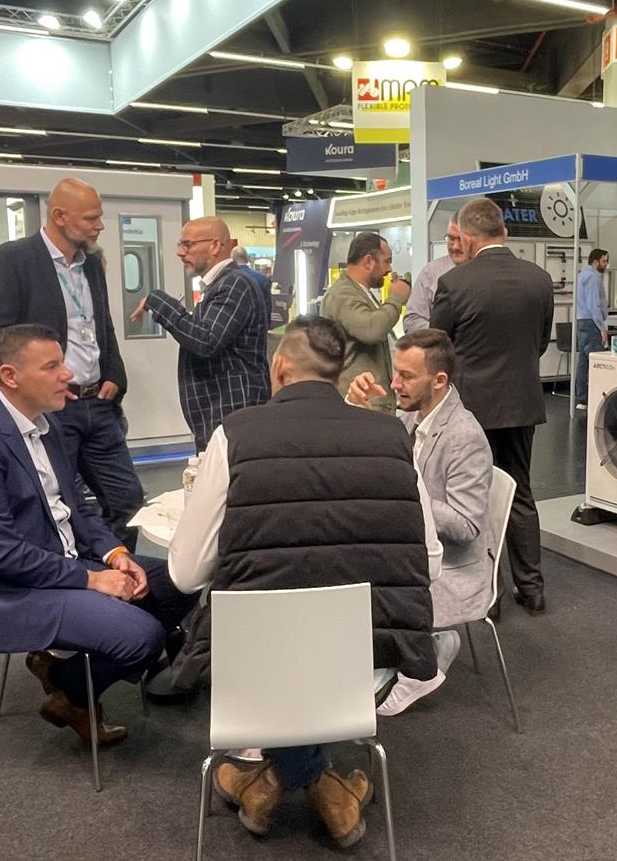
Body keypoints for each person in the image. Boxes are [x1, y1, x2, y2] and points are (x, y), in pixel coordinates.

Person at [164, 316, 440, 850]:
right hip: (366, 661)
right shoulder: (391, 437)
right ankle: (329, 792)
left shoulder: (234, 435)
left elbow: (185, 573)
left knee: (274, 659)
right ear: (339, 376)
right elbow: (428, 563)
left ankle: (267, 784)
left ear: (279, 367)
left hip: (255, 666)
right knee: (306, 666)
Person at [0, 324, 196, 748]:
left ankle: (68, 685)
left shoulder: (44, 425)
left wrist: (114, 554)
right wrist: (92, 580)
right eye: (52, 366)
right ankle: (69, 683)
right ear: (10, 376)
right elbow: (2, 555)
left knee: (182, 581)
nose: (68, 374)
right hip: (7, 590)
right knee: (142, 637)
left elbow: (75, 508)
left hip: (62, 564)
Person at [0, 177, 144, 550]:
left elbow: (101, 325)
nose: (99, 226)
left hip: (97, 404)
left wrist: (114, 374)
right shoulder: (11, 260)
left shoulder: (91, 264)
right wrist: (42, 381)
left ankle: (115, 567)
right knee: (56, 504)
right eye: (91, 218)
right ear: (59, 216)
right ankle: (76, 573)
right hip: (47, 409)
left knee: (127, 500)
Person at [348, 329, 495, 715]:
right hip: (415, 553)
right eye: (395, 373)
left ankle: (416, 666)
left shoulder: (464, 436)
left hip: (453, 569)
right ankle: (406, 651)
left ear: (439, 380)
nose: (394, 384)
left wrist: (408, 488)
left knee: (355, 578)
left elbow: (466, 526)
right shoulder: (413, 416)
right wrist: (357, 412)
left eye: (406, 376)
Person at [432, 197, 555, 616]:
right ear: (504, 232)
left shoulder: (454, 283)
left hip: (472, 411)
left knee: (474, 500)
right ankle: (532, 589)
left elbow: (438, 352)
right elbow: (540, 343)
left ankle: (490, 597)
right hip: (522, 404)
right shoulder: (539, 279)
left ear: (467, 237)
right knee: (520, 492)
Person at [131, 216, 270, 452]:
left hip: (233, 417)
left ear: (214, 246)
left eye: (188, 245)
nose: (180, 252)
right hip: (221, 415)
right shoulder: (220, 286)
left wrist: (158, 302)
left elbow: (205, 340)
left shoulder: (234, 285)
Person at [321, 231, 411, 413]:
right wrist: (396, 298)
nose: (389, 269)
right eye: (387, 261)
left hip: (370, 400)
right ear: (368, 261)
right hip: (361, 403)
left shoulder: (360, 292)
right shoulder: (341, 294)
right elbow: (371, 330)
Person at [402, 215, 467, 334]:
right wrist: (441, 332)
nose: (455, 246)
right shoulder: (432, 271)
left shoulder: (488, 271)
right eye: (451, 239)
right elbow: (411, 321)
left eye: (461, 239)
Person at [574, 248, 610, 410]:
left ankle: (582, 398)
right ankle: (596, 398)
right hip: (591, 322)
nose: (606, 264)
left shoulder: (582, 275)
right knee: (596, 362)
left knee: (583, 361)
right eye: (603, 261)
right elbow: (593, 303)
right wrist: (602, 327)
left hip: (582, 321)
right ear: (595, 261)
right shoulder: (594, 277)